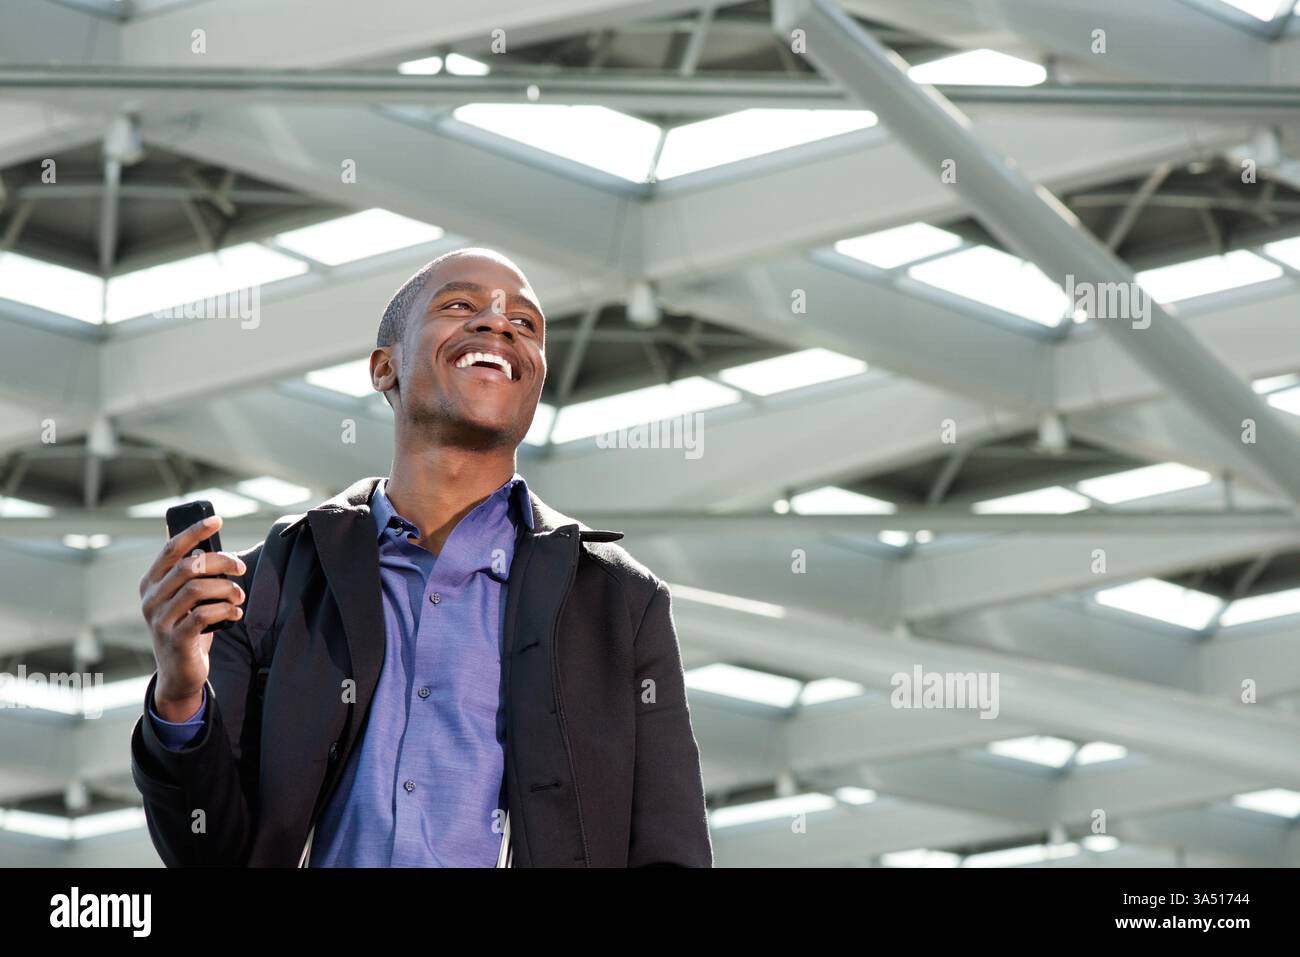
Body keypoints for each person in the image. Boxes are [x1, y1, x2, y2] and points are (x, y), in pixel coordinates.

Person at [132, 247, 713, 867]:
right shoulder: (275, 579)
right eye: (461, 305)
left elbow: (668, 848)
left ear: (536, 379)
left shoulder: (618, 603)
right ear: (386, 367)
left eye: (525, 323)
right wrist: (179, 694)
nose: (497, 323)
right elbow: (207, 853)